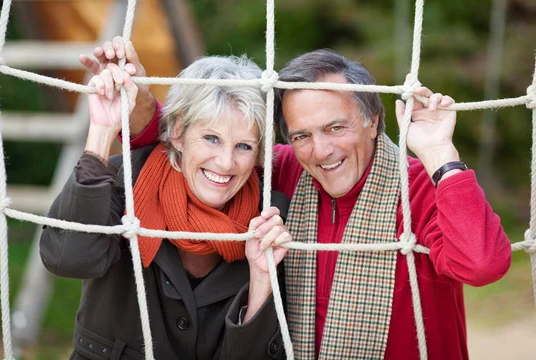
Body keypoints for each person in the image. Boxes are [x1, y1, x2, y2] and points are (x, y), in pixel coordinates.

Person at [108, 48, 513, 359]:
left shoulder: (421, 185)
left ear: (373, 120)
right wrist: (139, 99)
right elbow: (193, 147)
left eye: (336, 128)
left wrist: (440, 151)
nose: (320, 151)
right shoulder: (285, 171)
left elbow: (482, 264)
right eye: (301, 135)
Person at [40, 39, 292, 360]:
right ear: (177, 133)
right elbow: (66, 260)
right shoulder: (122, 181)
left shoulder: (269, 220)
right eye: (211, 138)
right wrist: (102, 131)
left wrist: (261, 279)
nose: (226, 163)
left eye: (243, 146)